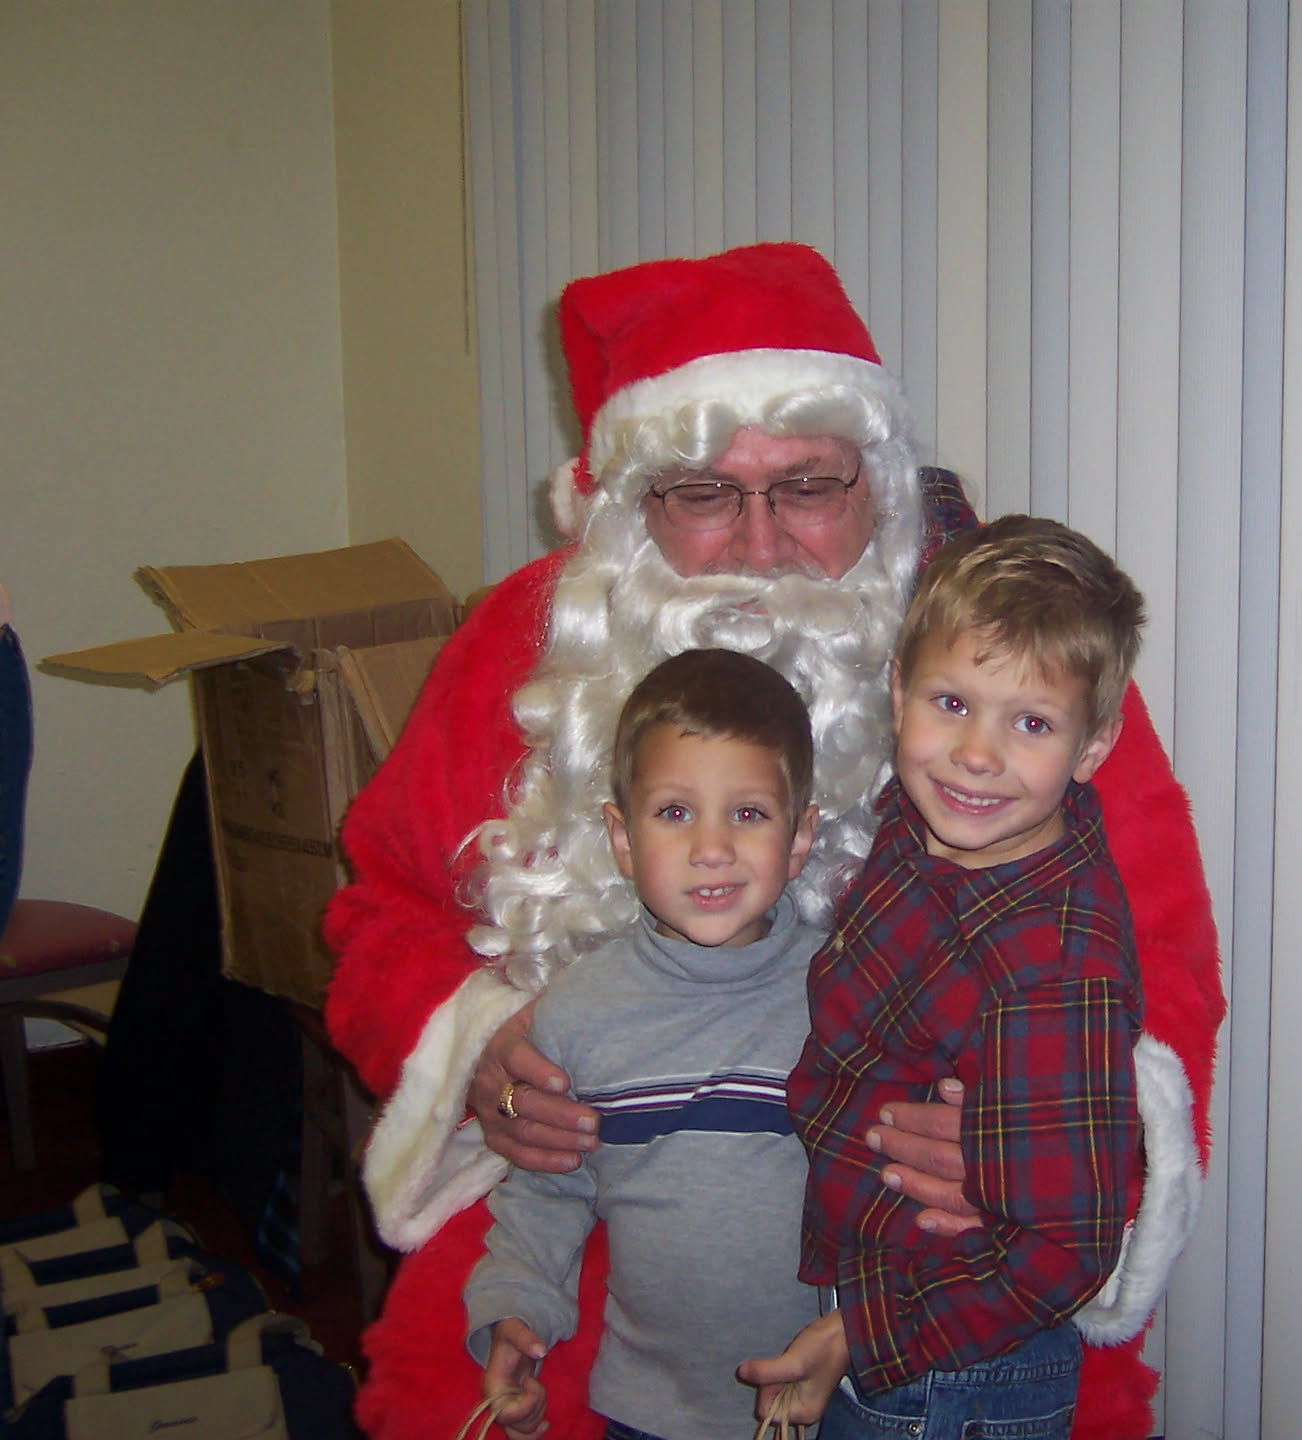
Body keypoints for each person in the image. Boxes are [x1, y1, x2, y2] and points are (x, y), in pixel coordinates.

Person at [323, 242, 1223, 1440]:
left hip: (926, 1248)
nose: (757, 544)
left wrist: (1037, 1136)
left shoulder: (1010, 670)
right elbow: (380, 911)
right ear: (629, 503)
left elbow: (1164, 965)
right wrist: (480, 1047)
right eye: (702, 494)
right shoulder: (521, 651)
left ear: (878, 481)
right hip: (587, 1232)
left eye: (806, 487)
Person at [742, 516, 1144, 1438]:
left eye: (1031, 723)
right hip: (882, 1299)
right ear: (899, 693)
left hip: (957, 1370)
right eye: (952, 702)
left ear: (1092, 748)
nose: (976, 754)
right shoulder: (924, 815)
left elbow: (1064, 1248)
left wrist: (864, 1333)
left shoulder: (1054, 970)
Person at [467, 649, 825, 1440]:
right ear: (622, 838)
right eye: (674, 813)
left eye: (748, 814)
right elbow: (546, 1192)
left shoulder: (845, 996)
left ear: (800, 836)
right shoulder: (577, 1013)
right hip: (646, 1411)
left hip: (826, 1405)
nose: (711, 848)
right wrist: (515, 1314)